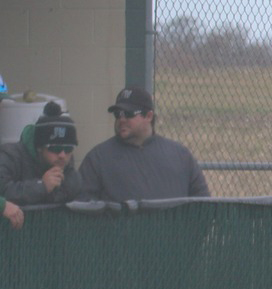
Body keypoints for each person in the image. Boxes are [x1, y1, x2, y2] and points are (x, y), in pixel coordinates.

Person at [78, 87, 210, 203]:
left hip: (172, 231)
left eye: (129, 114)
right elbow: (83, 203)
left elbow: (203, 204)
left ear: (149, 116)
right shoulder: (98, 158)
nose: (121, 120)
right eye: (118, 114)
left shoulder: (180, 155)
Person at [0, 101, 83, 228]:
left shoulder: (65, 162)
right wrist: (41, 186)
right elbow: (3, 190)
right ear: (39, 147)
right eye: (55, 148)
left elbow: (75, 184)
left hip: (48, 236)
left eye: (68, 148)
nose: (62, 154)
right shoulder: (10, 156)